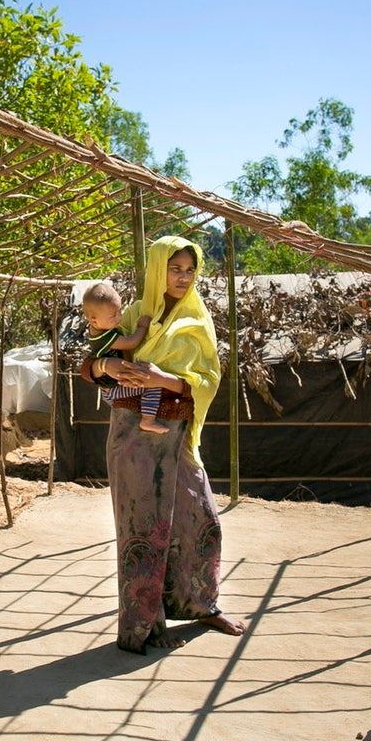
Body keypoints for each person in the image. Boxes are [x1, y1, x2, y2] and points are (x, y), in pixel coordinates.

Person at [80, 236, 247, 653]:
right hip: (132, 439)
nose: (183, 276)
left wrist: (160, 379)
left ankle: (201, 605)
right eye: (175, 268)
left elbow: (207, 380)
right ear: (158, 269)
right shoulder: (134, 314)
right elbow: (88, 365)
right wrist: (107, 365)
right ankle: (143, 628)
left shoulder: (198, 320)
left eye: (190, 269)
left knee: (202, 519)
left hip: (177, 437)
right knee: (142, 531)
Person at [81, 281, 168, 434]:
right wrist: (142, 327)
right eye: (113, 316)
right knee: (153, 384)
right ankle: (148, 420)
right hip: (114, 390)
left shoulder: (100, 328)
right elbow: (130, 343)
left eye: (119, 311)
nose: (119, 317)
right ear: (94, 320)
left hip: (113, 387)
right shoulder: (104, 337)